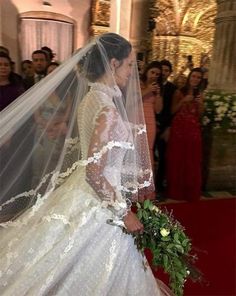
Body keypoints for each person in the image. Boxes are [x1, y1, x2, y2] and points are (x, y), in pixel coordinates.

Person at [0, 33, 173, 295]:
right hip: (100, 201)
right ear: (113, 63)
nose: (131, 72)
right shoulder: (107, 109)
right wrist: (123, 212)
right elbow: (95, 171)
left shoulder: (91, 99)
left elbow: (94, 160)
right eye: (129, 65)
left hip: (83, 191)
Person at [166, 67, 204, 202]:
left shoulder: (200, 94)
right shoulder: (179, 91)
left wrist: (200, 104)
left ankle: (190, 191)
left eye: (198, 77)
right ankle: (176, 191)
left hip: (193, 130)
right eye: (194, 76)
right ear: (190, 77)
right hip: (179, 129)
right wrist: (183, 100)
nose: (195, 79)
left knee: (192, 159)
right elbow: (172, 111)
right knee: (178, 158)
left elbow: (199, 115)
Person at [155, 60, 177, 198]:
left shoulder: (172, 88)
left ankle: (158, 185)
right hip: (151, 124)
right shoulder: (152, 86)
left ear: (170, 73)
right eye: (162, 70)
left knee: (163, 156)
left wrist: (168, 127)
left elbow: (172, 110)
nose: (163, 73)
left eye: (166, 70)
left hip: (164, 126)